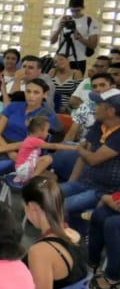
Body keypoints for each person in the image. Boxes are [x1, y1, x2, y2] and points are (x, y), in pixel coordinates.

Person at [61, 92, 120, 228]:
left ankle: (76, 237)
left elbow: (93, 159)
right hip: (84, 181)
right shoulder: (100, 124)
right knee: (48, 196)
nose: (94, 107)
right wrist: (72, 182)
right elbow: (85, 154)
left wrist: (81, 150)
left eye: (99, 105)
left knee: (61, 206)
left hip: (104, 190)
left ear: (111, 111)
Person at [49, 0, 100, 73]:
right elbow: (52, 41)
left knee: (76, 83)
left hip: (79, 60)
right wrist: (59, 28)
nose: (75, 13)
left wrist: (79, 37)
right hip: (61, 59)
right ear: (69, 8)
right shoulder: (61, 20)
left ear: (83, 7)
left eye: (77, 10)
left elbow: (93, 45)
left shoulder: (90, 21)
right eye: (72, 11)